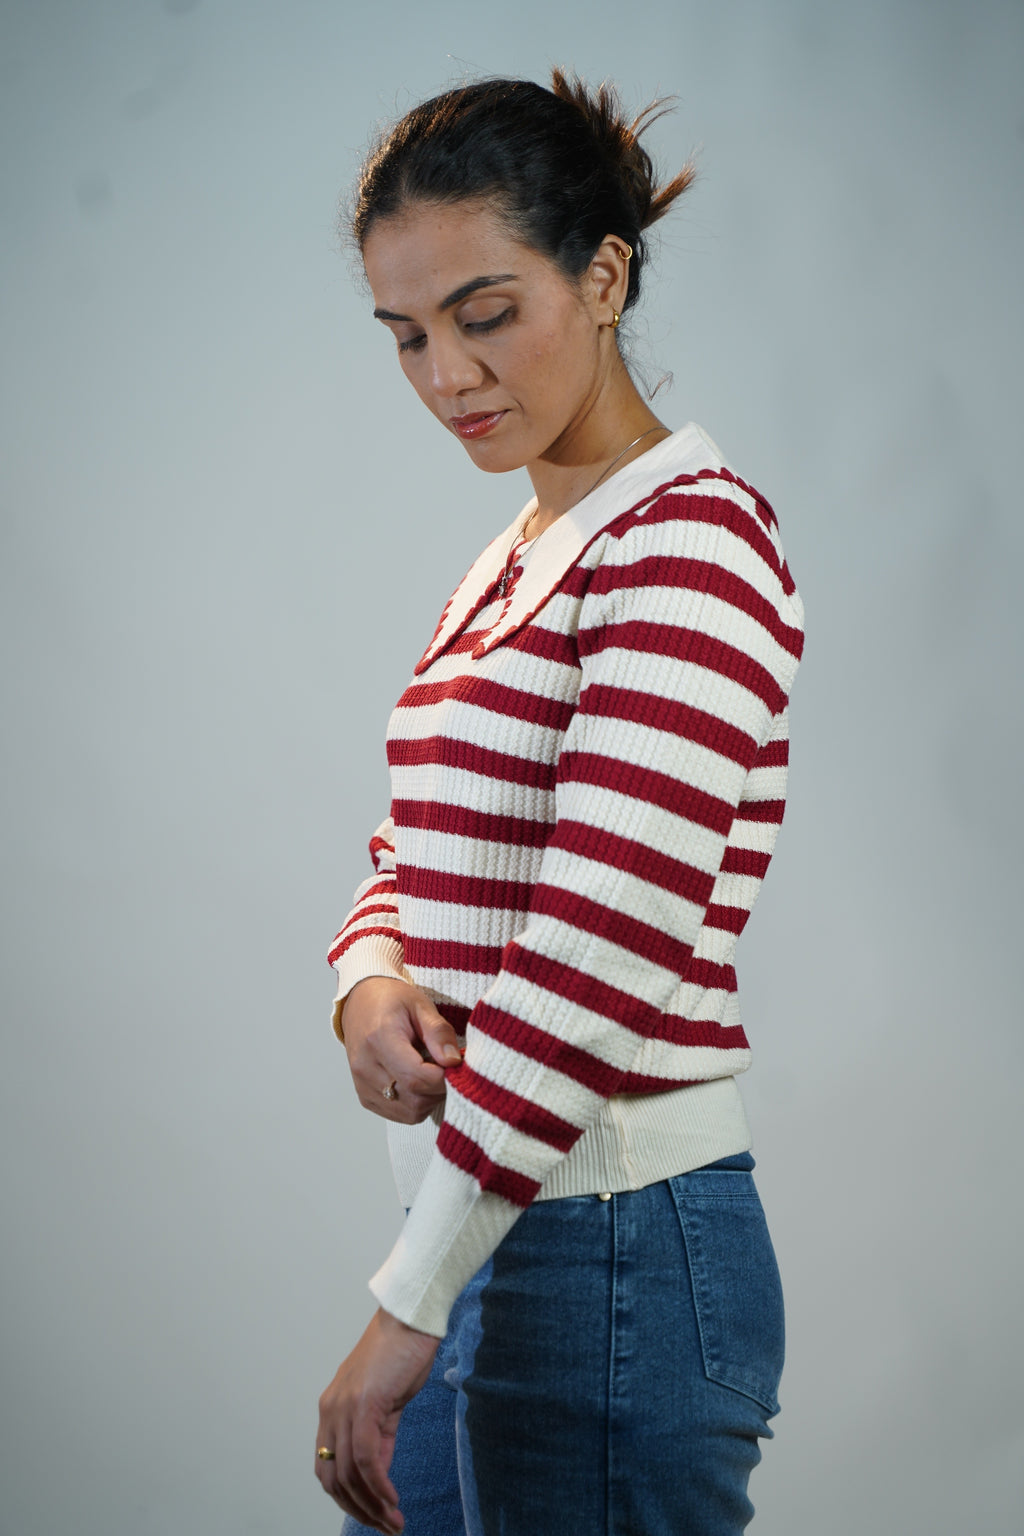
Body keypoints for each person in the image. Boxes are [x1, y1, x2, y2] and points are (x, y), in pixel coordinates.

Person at [315, 70, 804, 1536]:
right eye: (406, 334)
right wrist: (369, 976)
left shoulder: (690, 546)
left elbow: (594, 945)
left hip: (614, 1253)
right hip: (489, 1230)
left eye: (483, 313)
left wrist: (407, 1303)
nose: (446, 375)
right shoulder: (522, 553)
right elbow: (414, 843)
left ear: (604, 275)